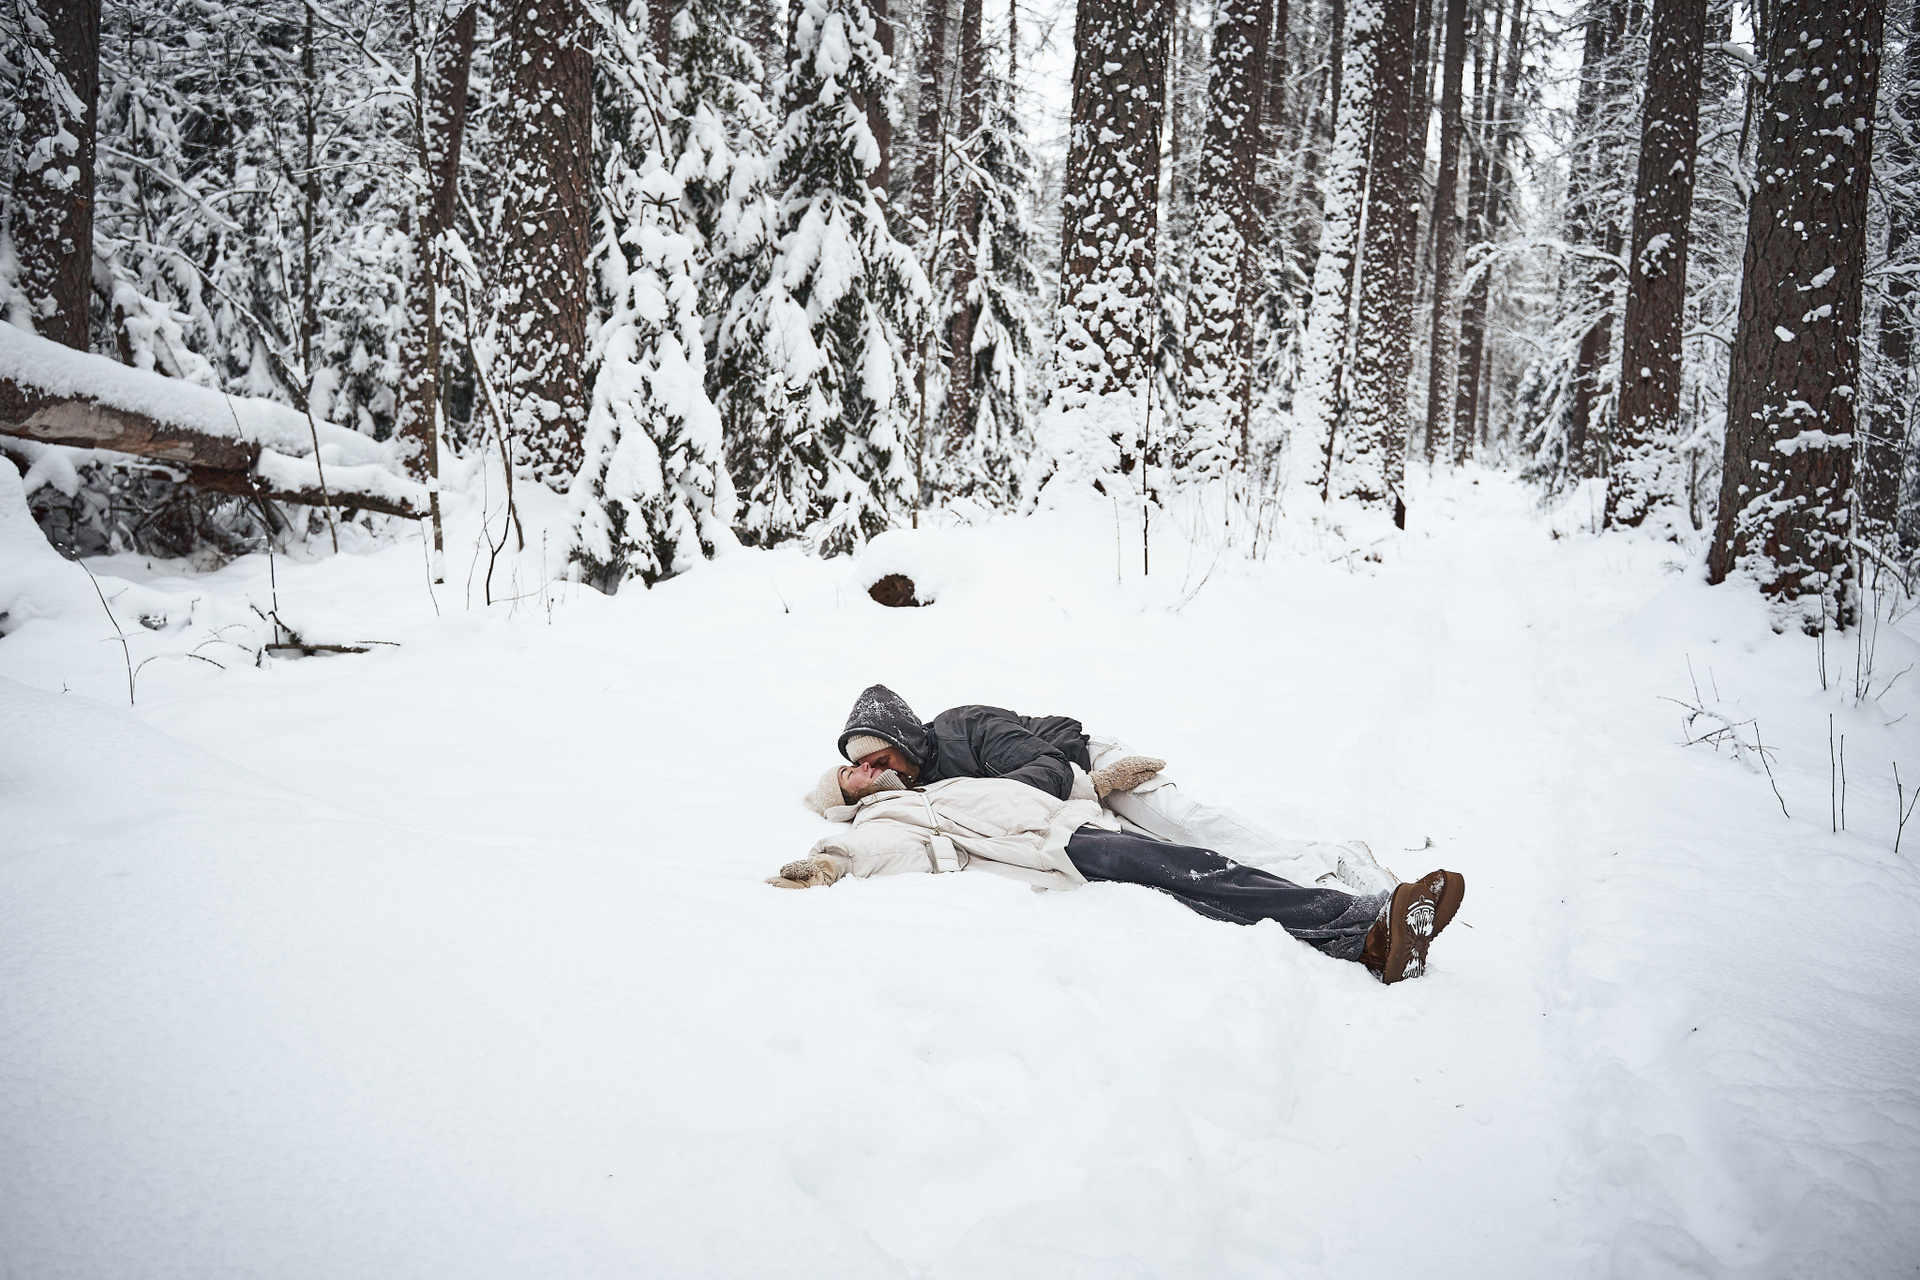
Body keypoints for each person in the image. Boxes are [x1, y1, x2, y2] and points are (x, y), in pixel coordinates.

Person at [778, 762, 1466, 985]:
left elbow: (1028, 791)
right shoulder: (885, 818)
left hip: (1083, 827)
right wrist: (828, 864)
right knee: (1203, 873)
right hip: (1063, 853)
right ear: (846, 798)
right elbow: (877, 853)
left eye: (864, 761)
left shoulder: (940, 785)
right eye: (850, 773)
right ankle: (1367, 922)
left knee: (1206, 883)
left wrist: (1098, 781)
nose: (864, 769)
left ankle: (1365, 940)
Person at [832, 684, 1398, 894]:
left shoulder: (965, 727)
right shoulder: (915, 783)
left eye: (883, 758)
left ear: (905, 739)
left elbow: (1048, 767)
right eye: (867, 768)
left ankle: (1330, 863)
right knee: (1168, 858)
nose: (879, 771)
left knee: (1186, 825)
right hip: (1065, 807)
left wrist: (1085, 786)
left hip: (1094, 766)